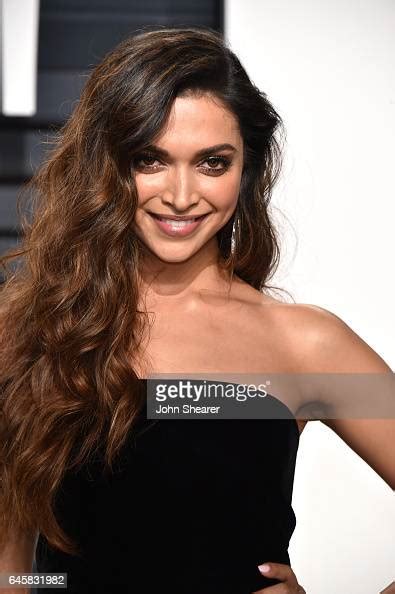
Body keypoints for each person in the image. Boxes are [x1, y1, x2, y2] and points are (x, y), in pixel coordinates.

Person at [0, 27, 393, 594]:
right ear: (106, 165)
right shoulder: (33, 332)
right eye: (149, 159)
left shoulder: (303, 344)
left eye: (212, 163)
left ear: (247, 169)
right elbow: (12, 564)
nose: (182, 195)